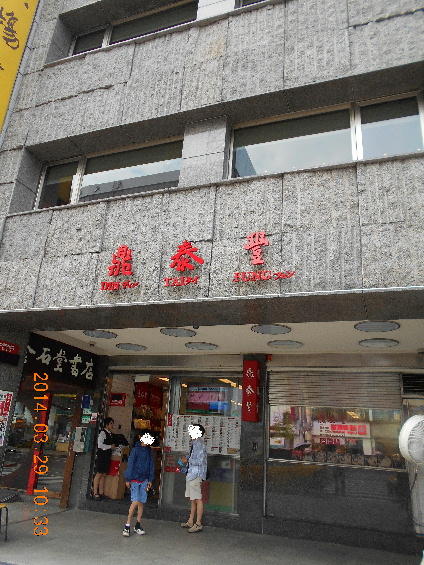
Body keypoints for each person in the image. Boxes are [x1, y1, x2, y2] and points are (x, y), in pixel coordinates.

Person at [122, 431, 155, 536]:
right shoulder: (135, 450)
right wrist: (128, 479)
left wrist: (150, 479)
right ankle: (127, 525)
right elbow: (130, 464)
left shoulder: (149, 451)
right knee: (135, 501)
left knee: (141, 502)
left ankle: (137, 524)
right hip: (135, 479)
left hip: (144, 480)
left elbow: (151, 465)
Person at [180, 424, 207, 533]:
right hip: (191, 473)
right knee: (193, 498)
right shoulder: (195, 443)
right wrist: (187, 458)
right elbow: (194, 457)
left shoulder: (199, 444)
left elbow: (200, 461)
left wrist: (187, 460)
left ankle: (198, 523)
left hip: (196, 474)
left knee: (197, 498)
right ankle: (190, 521)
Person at [92, 417, 115, 500]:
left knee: (104, 474)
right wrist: (109, 446)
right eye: (111, 423)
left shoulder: (110, 434)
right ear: (107, 424)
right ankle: (95, 493)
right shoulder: (102, 433)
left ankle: (101, 492)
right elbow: (100, 445)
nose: (112, 425)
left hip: (107, 456)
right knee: (99, 473)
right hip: (102, 455)